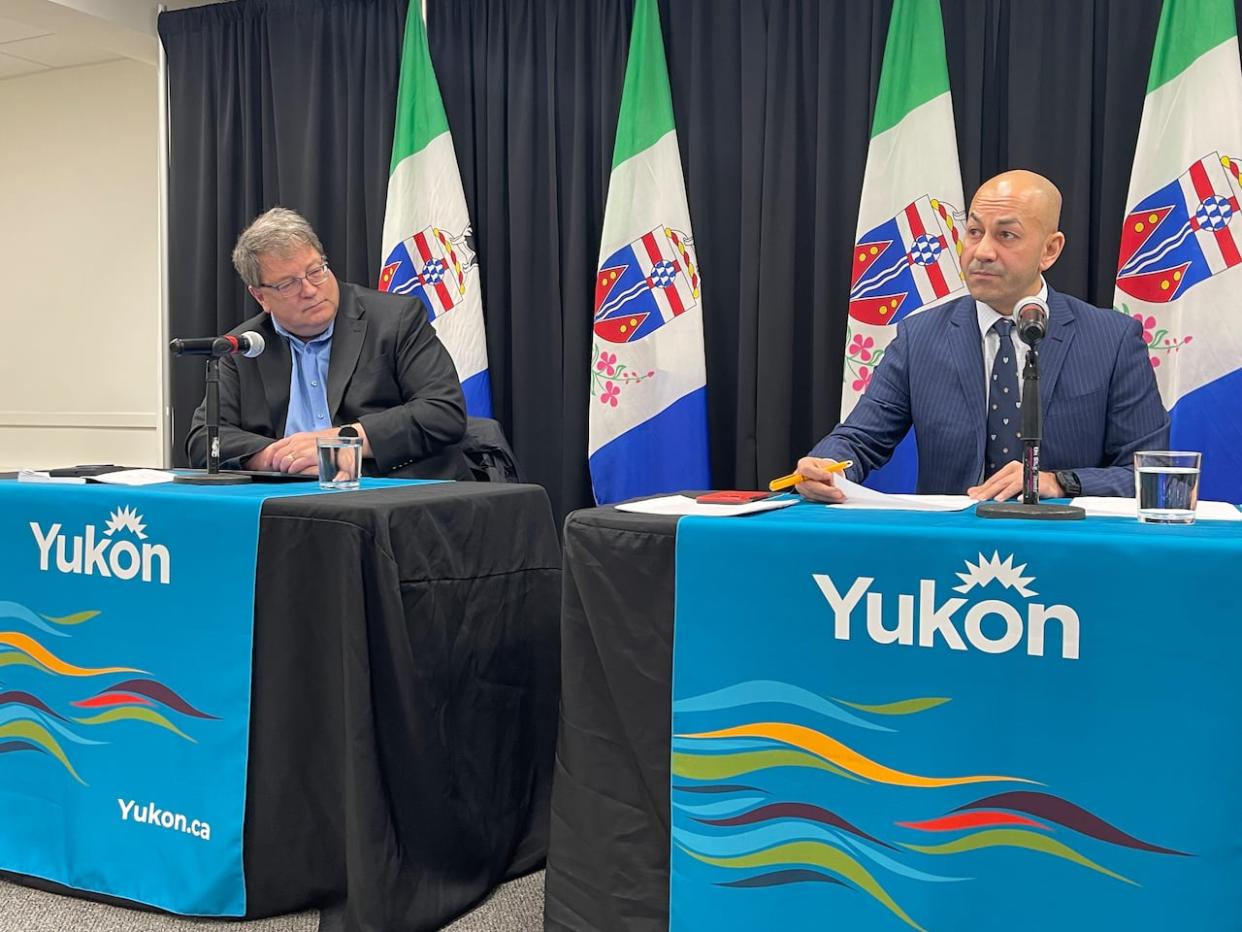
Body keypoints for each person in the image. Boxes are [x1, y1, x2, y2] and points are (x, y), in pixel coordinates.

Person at [797, 169, 1168, 503]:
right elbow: (859, 439)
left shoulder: (1112, 339)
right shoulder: (920, 336)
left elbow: (1147, 473)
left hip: (1067, 551)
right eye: (974, 232)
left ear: (1050, 250)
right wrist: (828, 466)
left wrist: (1060, 482)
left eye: (1006, 235)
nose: (982, 251)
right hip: (950, 555)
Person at [186, 207, 471, 480]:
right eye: (288, 284)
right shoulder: (243, 347)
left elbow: (442, 412)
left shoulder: (395, 320)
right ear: (260, 297)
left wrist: (339, 444)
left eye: (316, 271)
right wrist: (278, 457)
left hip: (382, 494)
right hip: (287, 500)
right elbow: (203, 439)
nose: (310, 290)